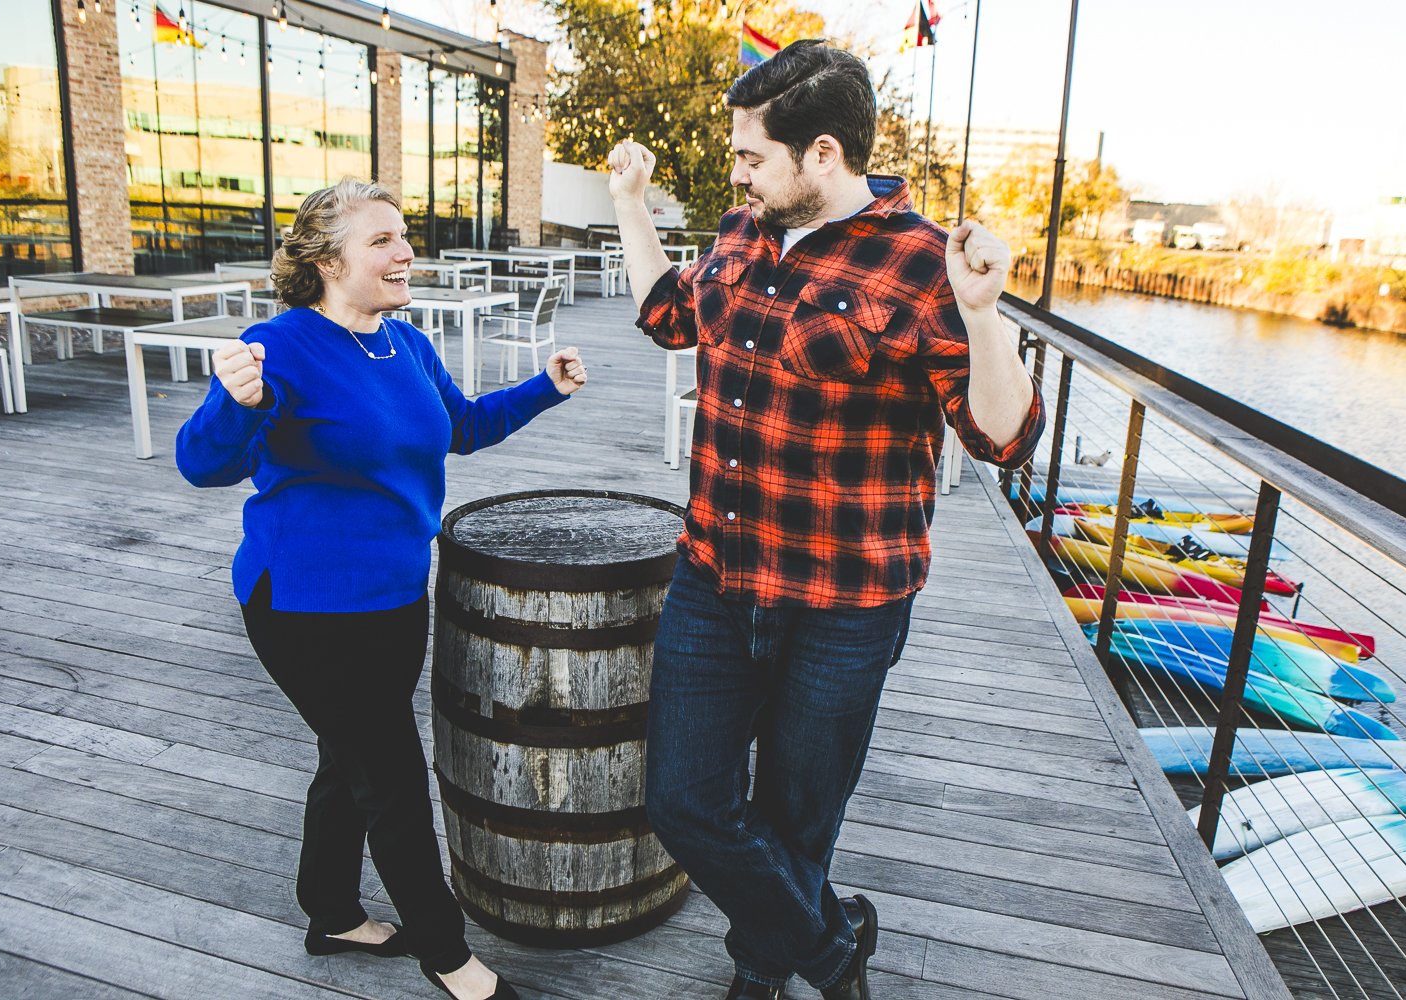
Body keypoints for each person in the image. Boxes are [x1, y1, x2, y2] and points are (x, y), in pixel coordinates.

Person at [607, 40, 1045, 1000]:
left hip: (845, 605)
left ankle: (762, 968)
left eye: (752, 157)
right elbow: (669, 317)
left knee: (799, 820)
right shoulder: (740, 230)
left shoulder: (924, 262)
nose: (736, 174)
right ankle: (835, 949)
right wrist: (632, 206)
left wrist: (982, 317)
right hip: (713, 579)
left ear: (824, 156)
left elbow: (1003, 440)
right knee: (683, 805)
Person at [176, 178, 587, 1000]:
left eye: (404, 237)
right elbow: (204, 463)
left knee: (350, 756)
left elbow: (461, 427)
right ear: (329, 261)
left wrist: (545, 387)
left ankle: (328, 910)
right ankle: (447, 955)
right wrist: (234, 400)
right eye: (383, 241)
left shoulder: (405, 344)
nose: (406, 253)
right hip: (305, 609)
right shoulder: (280, 346)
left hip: (397, 598)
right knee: (392, 777)